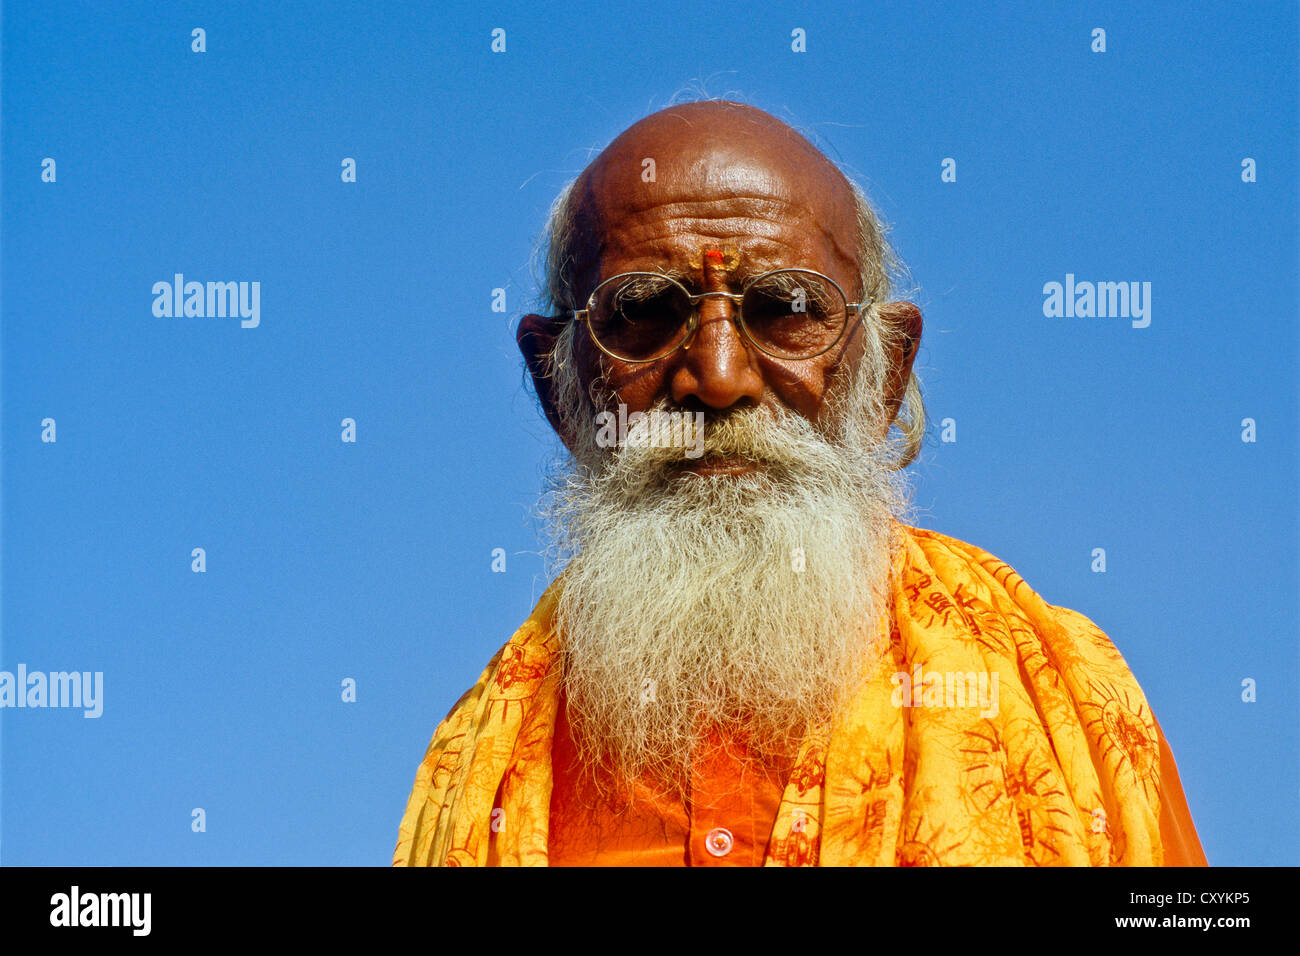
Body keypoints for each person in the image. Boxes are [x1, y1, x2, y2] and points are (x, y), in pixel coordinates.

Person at [394, 100, 1207, 867]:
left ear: (884, 374)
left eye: (785, 308)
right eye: (642, 312)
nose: (717, 380)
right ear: (555, 383)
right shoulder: (480, 769)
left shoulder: (1064, 697)